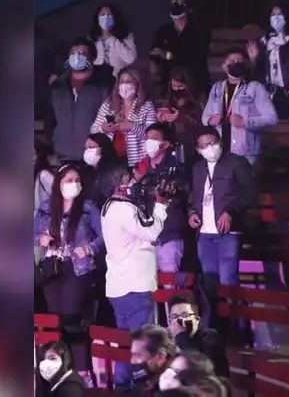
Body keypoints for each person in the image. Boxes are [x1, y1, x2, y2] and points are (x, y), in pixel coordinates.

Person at [100, 164, 168, 389]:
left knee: (125, 345)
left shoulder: (109, 207)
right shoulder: (121, 208)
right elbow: (150, 231)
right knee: (141, 347)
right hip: (134, 286)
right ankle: (137, 389)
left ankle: (122, 389)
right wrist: (160, 205)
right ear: (118, 186)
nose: (132, 183)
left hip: (120, 286)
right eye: (128, 179)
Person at [35, 163, 104, 373]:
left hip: (78, 268)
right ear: (59, 184)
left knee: (72, 316)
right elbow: (31, 232)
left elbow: (103, 237)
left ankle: (82, 369)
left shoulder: (88, 208)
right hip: (51, 268)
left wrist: (89, 249)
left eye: (77, 181)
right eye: (68, 181)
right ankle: (59, 366)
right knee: (56, 319)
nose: (73, 185)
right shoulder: (47, 207)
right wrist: (41, 238)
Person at [189, 127, 257, 322]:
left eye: (212, 143)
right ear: (198, 149)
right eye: (204, 145)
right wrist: (192, 213)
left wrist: (231, 212)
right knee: (209, 284)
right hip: (205, 233)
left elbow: (250, 193)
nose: (209, 148)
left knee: (228, 281)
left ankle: (238, 326)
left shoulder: (236, 163)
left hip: (228, 232)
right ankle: (216, 326)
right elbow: (193, 196)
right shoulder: (197, 168)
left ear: (220, 142)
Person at [202, 47, 279, 166]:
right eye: (232, 61)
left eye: (240, 61)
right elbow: (204, 117)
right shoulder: (217, 88)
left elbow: (272, 118)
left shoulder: (255, 88)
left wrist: (245, 122)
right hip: (220, 151)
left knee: (245, 184)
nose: (237, 64)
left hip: (246, 152)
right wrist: (211, 120)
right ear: (224, 66)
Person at [132, 122, 189, 279]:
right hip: (145, 237)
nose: (149, 142)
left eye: (154, 138)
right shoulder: (139, 166)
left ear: (165, 144)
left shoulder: (177, 168)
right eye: (147, 138)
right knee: (147, 286)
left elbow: (180, 191)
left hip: (168, 235)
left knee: (170, 283)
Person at [248, 3, 289, 121]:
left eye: (280, 14)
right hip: (271, 90)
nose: (276, 18)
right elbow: (260, 69)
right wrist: (254, 58)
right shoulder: (266, 40)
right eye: (273, 15)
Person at [51, 38, 110, 162]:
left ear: (92, 58)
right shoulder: (58, 86)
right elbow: (50, 118)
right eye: (73, 53)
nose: (77, 57)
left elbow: (110, 117)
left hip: (94, 154)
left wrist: (99, 143)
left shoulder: (105, 85)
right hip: (63, 153)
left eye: (82, 54)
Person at [90, 68, 158, 167]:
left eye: (128, 81)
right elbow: (93, 130)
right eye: (121, 82)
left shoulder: (146, 106)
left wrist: (132, 126)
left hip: (138, 162)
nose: (124, 85)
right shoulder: (109, 104)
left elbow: (153, 138)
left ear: (137, 84)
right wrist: (102, 128)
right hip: (111, 161)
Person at [151, 0, 211, 96]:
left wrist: (168, 55)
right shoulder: (163, 31)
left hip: (195, 77)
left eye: (179, 2)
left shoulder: (200, 30)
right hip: (169, 79)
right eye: (173, 2)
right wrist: (153, 61)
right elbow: (156, 51)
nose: (176, 5)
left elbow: (195, 55)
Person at [167, 294, 230, 378]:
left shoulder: (211, 337)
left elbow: (200, 370)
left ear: (197, 318)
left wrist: (181, 335)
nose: (179, 322)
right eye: (174, 317)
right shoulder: (168, 339)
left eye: (185, 316)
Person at [160, 67, 205, 161]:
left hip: (192, 147)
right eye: (173, 86)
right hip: (172, 147)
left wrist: (180, 118)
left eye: (180, 86)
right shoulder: (169, 103)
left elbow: (197, 121)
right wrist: (162, 118)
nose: (176, 89)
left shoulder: (198, 102)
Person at [88, 4, 138, 76]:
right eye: (102, 15)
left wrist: (112, 39)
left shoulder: (126, 36)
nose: (106, 18)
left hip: (118, 80)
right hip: (97, 82)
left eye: (109, 15)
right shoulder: (92, 38)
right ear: (97, 18)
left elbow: (131, 59)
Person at [128, 324, 176, 394]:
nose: (132, 361)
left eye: (138, 355)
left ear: (160, 358)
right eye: (132, 355)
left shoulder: (173, 390)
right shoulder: (147, 382)